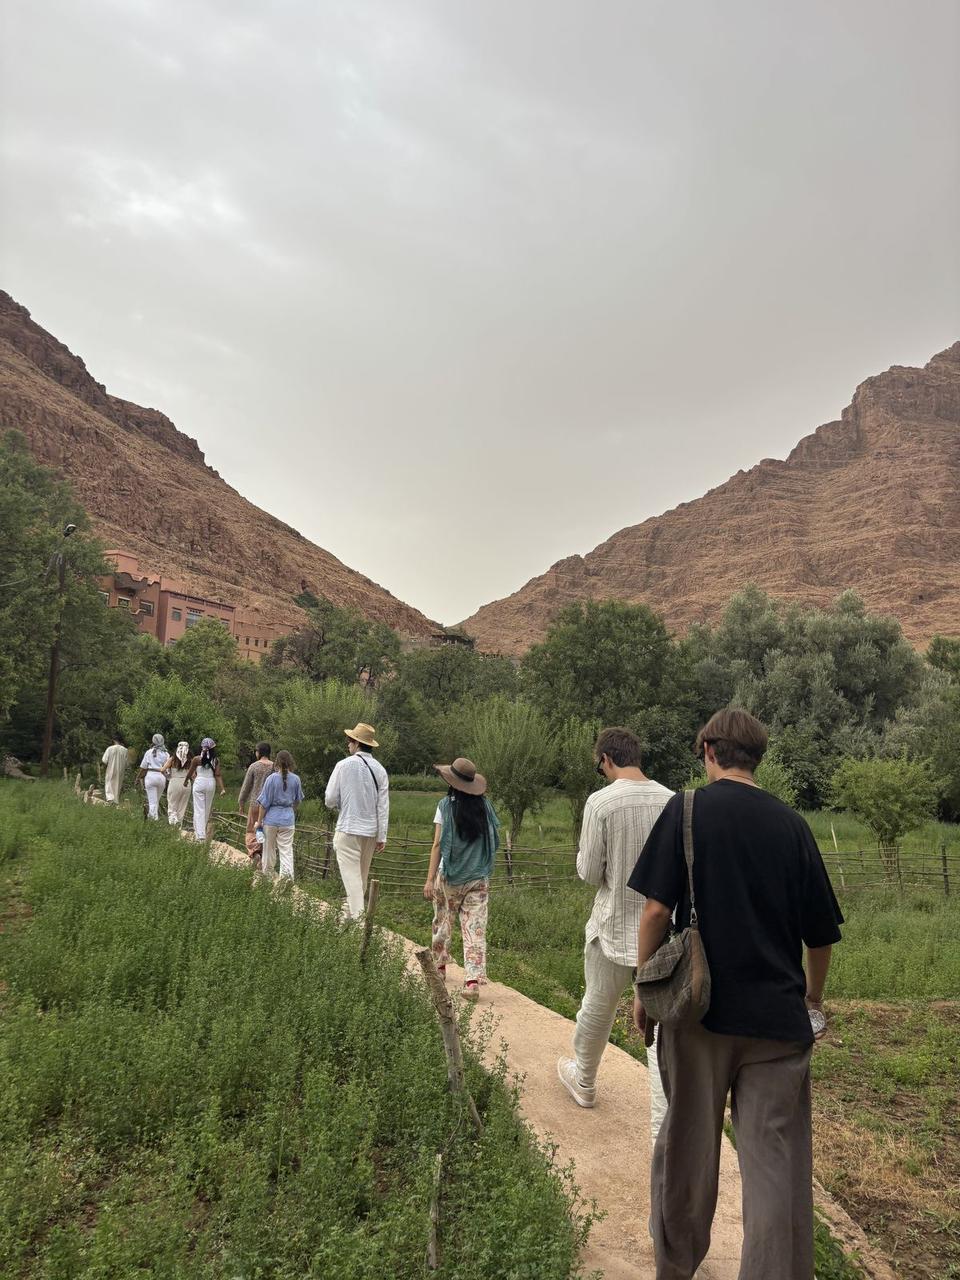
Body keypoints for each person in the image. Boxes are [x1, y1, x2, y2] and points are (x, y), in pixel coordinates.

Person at [628, 709, 843, 1280]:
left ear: (708, 750)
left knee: (688, 1149)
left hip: (700, 1016)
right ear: (757, 757)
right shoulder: (792, 825)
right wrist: (812, 1000)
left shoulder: (688, 809)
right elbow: (820, 936)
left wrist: (644, 990)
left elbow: (654, 911)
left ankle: (675, 1268)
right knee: (775, 1165)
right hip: (778, 1022)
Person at [557, 726, 672, 1137]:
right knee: (659, 1032)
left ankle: (584, 1081)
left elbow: (590, 873)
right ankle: (664, 1128)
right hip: (662, 937)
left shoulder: (601, 802)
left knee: (597, 1007)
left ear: (605, 759)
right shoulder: (672, 800)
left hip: (612, 927)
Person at [423, 757, 499, 1001]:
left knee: (443, 920)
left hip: (450, 876)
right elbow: (492, 838)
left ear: (451, 781)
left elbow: (437, 844)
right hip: (478, 877)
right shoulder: (484, 807)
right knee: (474, 928)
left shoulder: (445, 806)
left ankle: (440, 967)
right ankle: (472, 982)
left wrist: (429, 878)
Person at [325, 722, 389, 919]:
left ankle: (358, 924)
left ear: (355, 743)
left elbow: (329, 799)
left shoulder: (343, 765)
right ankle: (350, 918)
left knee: (352, 879)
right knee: (360, 879)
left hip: (348, 828)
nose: (348, 745)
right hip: (370, 831)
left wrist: (343, 804)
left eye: (349, 741)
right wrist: (382, 836)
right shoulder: (380, 770)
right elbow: (383, 805)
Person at [254, 749, 303, 881]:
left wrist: (259, 822)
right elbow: (297, 800)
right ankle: (287, 879)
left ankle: (268, 876)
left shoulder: (271, 779)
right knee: (286, 850)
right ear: (290, 762)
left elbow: (264, 804)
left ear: (277, 762)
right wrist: (291, 810)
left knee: (269, 850)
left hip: (271, 819)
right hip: (288, 819)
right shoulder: (296, 779)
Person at [184, 738, 226, 840]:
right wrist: (222, 788)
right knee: (207, 809)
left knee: (199, 809)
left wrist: (186, 780)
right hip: (211, 783)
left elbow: (190, 772)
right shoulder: (216, 760)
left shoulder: (196, 759)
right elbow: (218, 774)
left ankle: (200, 835)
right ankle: (202, 831)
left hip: (199, 782)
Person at [136, 733, 169, 820]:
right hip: (161, 777)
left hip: (150, 776)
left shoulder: (149, 752)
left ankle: (153, 820)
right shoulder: (166, 753)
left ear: (153, 741)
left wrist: (138, 777)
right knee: (156, 800)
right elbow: (167, 769)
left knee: (152, 801)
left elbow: (143, 767)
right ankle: (154, 817)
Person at [238, 742, 274, 818]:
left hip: (255, 802)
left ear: (259, 752)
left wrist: (241, 802)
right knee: (266, 829)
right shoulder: (275, 767)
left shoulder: (254, 766)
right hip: (270, 805)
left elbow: (246, 786)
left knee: (252, 828)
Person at [163, 741, 192, 827]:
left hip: (174, 782)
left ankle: (173, 826)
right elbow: (193, 775)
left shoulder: (173, 759)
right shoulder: (190, 760)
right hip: (186, 783)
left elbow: (163, 769)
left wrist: (168, 776)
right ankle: (179, 826)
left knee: (172, 806)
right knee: (182, 807)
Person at [101, 734, 129, 804]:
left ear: (113, 740)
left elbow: (104, 760)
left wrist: (104, 768)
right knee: (117, 785)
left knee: (109, 784)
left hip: (110, 769)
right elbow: (127, 763)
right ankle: (116, 801)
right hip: (120, 770)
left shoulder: (109, 749)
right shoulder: (125, 750)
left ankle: (110, 800)